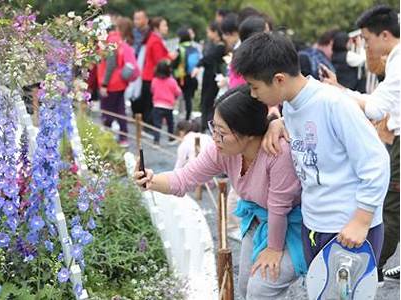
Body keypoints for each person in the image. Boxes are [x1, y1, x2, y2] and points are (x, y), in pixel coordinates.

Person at [233, 33, 389, 271]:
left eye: (254, 87)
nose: (253, 94)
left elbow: (376, 161)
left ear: (278, 79)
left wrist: (362, 219)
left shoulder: (334, 104)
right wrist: (278, 121)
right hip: (315, 223)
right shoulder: (293, 106)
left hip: (349, 228)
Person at [134, 85, 307, 299]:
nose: (215, 137)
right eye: (213, 128)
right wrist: (151, 180)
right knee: (244, 287)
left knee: (261, 288)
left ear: (249, 134)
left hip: (296, 227)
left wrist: (274, 249)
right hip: (261, 219)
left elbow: (279, 209)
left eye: (222, 132)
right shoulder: (222, 150)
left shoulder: (277, 152)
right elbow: (184, 178)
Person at [321, 5, 400, 284]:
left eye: (367, 39)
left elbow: (376, 107)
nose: (366, 45)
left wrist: (337, 94)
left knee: (390, 208)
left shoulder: (398, 59)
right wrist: (341, 91)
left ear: (385, 34)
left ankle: (371, 269)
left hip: (398, 141)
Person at [97, 17, 137, 147]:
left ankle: (106, 138)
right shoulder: (120, 40)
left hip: (111, 83)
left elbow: (111, 64)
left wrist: (104, 84)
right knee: (120, 110)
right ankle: (123, 137)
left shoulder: (111, 40)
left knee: (107, 111)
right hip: (120, 82)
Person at [191, 21, 226, 131]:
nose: (207, 34)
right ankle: (204, 126)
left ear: (215, 32)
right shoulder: (214, 45)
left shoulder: (221, 46)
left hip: (213, 78)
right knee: (205, 101)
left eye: (208, 32)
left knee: (208, 102)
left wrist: (198, 65)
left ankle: (206, 127)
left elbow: (208, 58)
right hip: (209, 77)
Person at [151, 60, 182, 145]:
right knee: (170, 123)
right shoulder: (172, 81)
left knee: (157, 124)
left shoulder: (154, 80)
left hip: (157, 105)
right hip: (168, 106)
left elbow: (152, 90)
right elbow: (178, 92)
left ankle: (156, 141)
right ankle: (171, 138)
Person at [172, 27, 200, 120]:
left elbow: (174, 64)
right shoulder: (194, 48)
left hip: (181, 77)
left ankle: (177, 116)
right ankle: (188, 117)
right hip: (192, 76)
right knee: (189, 99)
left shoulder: (180, 49)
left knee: (178, 97)